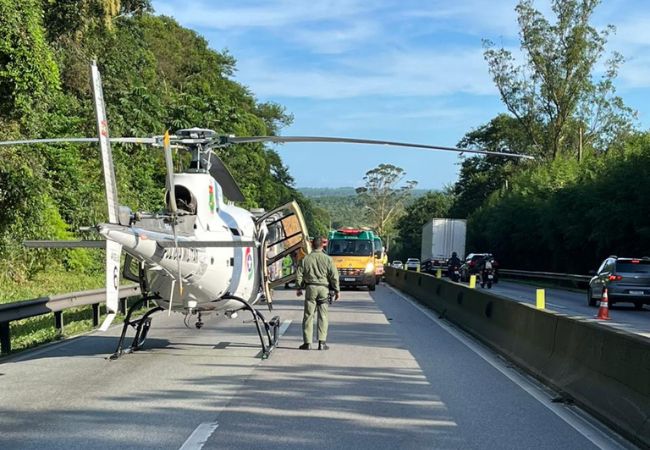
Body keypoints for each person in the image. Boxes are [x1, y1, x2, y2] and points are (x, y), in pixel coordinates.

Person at [296, 236, 340, 350]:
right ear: (322, 246)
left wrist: (299, 287)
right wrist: (336, 290)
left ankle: (307, 343)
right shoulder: (328, 259)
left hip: (310, 288)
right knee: (323, 316)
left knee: (308, 316)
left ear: (312, 245)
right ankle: (322, 343)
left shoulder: (306, 259)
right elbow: (334, 276)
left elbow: (299, 274)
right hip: (323, 289)